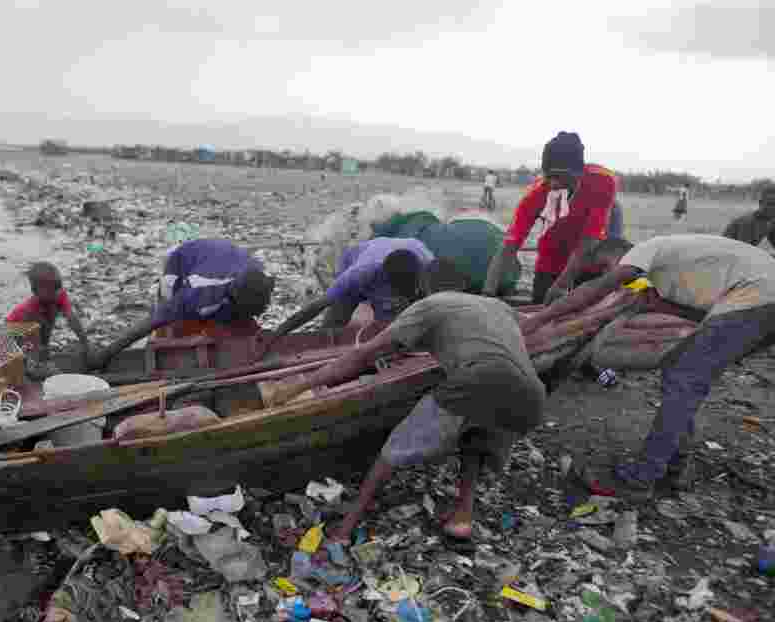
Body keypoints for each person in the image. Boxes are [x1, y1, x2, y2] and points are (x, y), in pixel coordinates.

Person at [266, 292, 546, 543]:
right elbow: (527, 328)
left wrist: (296, 387)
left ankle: (344, 530)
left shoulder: (425, 308)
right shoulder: (493, 305)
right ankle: (462, 517)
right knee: (475, 438)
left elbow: (361, 355)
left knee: (391, 452)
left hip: (477, 378)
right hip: (531, 395)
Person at [519, 235, 775, 499]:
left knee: (683, 378)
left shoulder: (643, 249)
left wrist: (540, 318)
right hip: (759, 295)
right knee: (680, 371)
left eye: (608, 268)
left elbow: (597, 288)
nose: (616, 279)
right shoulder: (676, 270)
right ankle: (672, 466)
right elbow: (703, 317)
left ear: (618, 255)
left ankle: (640, 479)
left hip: (758, 293)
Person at [87, 238, 275, 369]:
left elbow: (248, 311)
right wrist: (107, 352)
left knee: (236, 325)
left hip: (220, 259)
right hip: (182, 263)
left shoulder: (260, 276)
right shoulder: (198, 292)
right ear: (234, 299)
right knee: (173, 326)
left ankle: (231, 345)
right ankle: (169, 359)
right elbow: (156, 319)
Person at [483, 132, 618, 305]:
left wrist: (562, 283)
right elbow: (509, 246)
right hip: (553, 253)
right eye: (549, 176)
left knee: (588, 311)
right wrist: (487, 293)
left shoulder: (603, 182)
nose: (554, 183)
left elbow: (590, 240)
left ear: (578, 174)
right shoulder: (536, 194)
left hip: (591, 253)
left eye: (560, 177)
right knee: (541, 304)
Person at [260, 238, 439, 353]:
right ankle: (327, 357)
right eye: (397, 293)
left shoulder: (429, 267)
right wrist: (278, 333)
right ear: (385, 280)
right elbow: (317, 306)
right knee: (333, 322)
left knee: (396, 325)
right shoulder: (361, 273)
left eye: (406, 294)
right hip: (360, 258)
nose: (400, 299)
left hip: (411, 253)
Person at [6, 262, 92, 367]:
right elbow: (26, 336)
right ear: (35, 291)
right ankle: (36, 360)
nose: (56, 292)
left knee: (48, 321)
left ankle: (42, 355)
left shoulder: (59, 295)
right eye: (52, 289)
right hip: (14, 328)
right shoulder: (30, 309)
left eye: (58, 286)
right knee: (29, 355)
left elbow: (72, 319)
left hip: (37, 326)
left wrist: (85, 343)